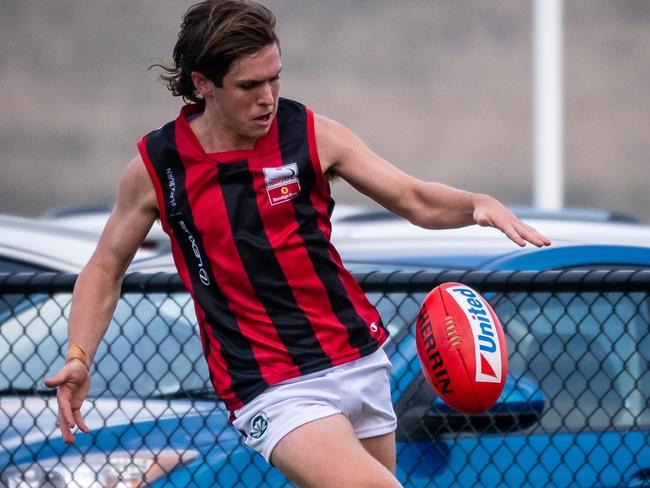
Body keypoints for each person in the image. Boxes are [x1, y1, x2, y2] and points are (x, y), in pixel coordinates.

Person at [44, 1, 551, 486]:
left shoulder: (310, 133)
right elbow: (105, 267)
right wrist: (80, 355)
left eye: (275, 77)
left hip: (358, 357)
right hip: (271, 384)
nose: (268, 96)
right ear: (203, 84)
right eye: (249, 85)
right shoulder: (159, 166)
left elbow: (413, 198)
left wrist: (474, 203)